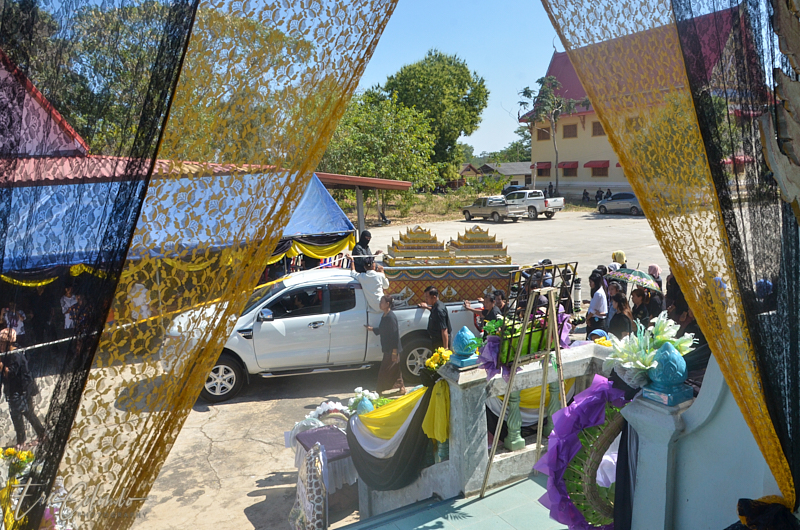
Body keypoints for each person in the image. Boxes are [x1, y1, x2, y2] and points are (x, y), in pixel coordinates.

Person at [0, 329, 45, 448]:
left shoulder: (16, 355)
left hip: (22, 389)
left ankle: (38, 436)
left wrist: (2, 367)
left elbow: (11, 373)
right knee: (19, 414)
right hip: (12, 389)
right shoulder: (5, 355)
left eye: (2, 343)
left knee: (25, 413)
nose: (0, 346)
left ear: (9, 343)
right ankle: (24, 439)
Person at [367, 295, 405, 395]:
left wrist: (394, 352)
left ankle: (379, 391)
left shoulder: (390, 317)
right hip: (388, 348)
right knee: (395, 370)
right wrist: (372, 329)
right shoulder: (385, 315)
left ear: (387, 304)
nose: (380, 304)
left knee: (384, 370)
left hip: (392, 349)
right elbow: (383, 329)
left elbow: (394, 335)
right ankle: (402, 388)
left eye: (382, 302)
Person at [586, 272, 608, 338]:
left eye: (591, 282)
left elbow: (593, 310)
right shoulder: (598, 291)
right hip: (595, 320)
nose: (589, 284)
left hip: (597, 322)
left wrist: (587, 319)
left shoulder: (598, 293)